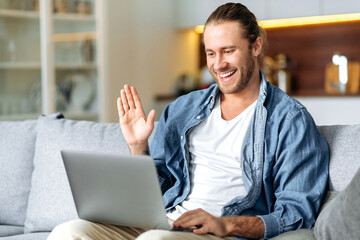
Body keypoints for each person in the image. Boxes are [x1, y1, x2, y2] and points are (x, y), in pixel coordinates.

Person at [48, 2, 329, 240]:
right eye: (210, 53)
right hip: (165, 223)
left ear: (255, 46)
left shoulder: (290, 120)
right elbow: (154, 191)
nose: (218, 64)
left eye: (228, 51)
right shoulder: (183, 108)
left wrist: (226, 224)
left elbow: (297, 213)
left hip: (219, 231)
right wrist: (137, 147)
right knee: (70, 231)